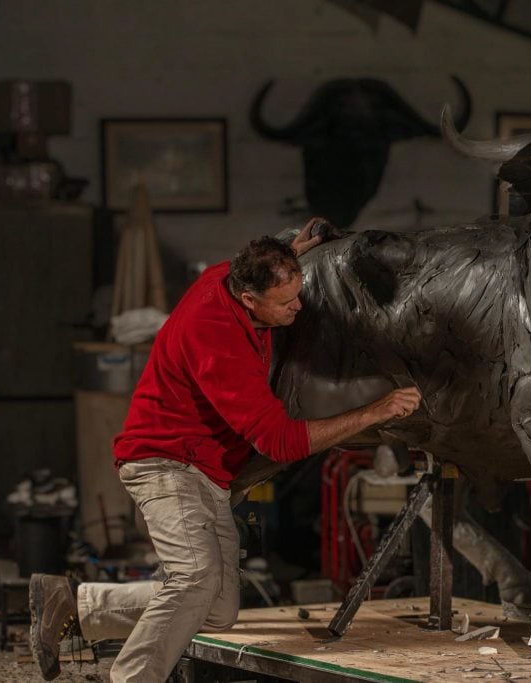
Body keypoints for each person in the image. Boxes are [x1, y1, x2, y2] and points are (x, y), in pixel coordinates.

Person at [28, 219, 422, 682]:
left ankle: (72, 602)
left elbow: (254, 262)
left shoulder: (230, 275)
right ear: (249, 299)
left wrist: (291, 250)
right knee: (193, 580)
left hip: (206, 469)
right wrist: (374, 412)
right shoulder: (216, 336)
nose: (298, 306)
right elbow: (280, 441)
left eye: (296, 292)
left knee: (217, 610)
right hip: (164, 461)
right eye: (286, 302)